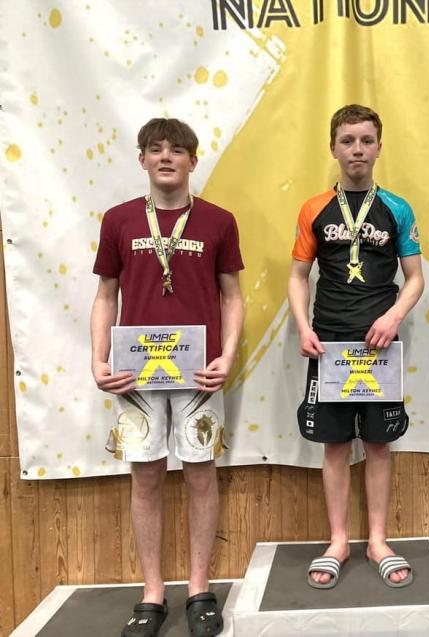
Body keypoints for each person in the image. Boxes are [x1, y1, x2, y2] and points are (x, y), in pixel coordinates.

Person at [91, 118, 244, 637]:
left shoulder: (219, 221)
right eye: (155, 149)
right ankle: (152, 591)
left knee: (201, 475)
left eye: (176, 150)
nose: (165, 157)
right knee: (146, 477)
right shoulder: (118, 220)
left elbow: (232, 296)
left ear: (192, 161)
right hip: (134, 375)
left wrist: (228, 355)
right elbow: (105, 295)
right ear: (142, 160)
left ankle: (200, 589)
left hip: (199, 372)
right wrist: (98, 360)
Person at [288, 104, 424, 589]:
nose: (357, 149)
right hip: (329, 345)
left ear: (379, 147)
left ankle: (379, 541)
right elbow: (298, 276)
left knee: (379, 444)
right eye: (347, 141)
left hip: (379, 347)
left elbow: (415, 278)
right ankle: (339, 541)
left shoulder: (398, 209)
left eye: (366, 140)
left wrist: (393, 316)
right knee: (335, 445)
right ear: (333, 148)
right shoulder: (313, 209)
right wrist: (303, 327)